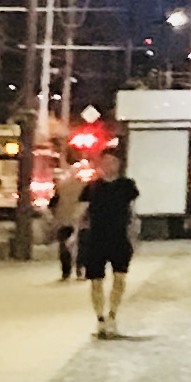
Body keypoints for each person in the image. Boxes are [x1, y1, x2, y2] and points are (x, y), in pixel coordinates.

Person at [78, 143, 137, 338]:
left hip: (119, 237)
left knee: (120, 278)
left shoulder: (127, 186)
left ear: (118, 164)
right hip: (96, 238)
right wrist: (74, 235)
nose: (108, 165)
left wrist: (134, 237)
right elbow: (81, 213)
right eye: (105, 162)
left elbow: (133, 213)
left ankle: (113, 314)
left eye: (112, 161)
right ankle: (100, 318)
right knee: (96, 280)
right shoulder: (92, 187)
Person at [51, 151, 88, 281]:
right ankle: (80, 270)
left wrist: (55, 215)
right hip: (79, 217)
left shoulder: (60, 183)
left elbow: (53, 201)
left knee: (64, 245)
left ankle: (66, 272)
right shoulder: (84, 183)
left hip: (63, 217)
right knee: (80, 245)